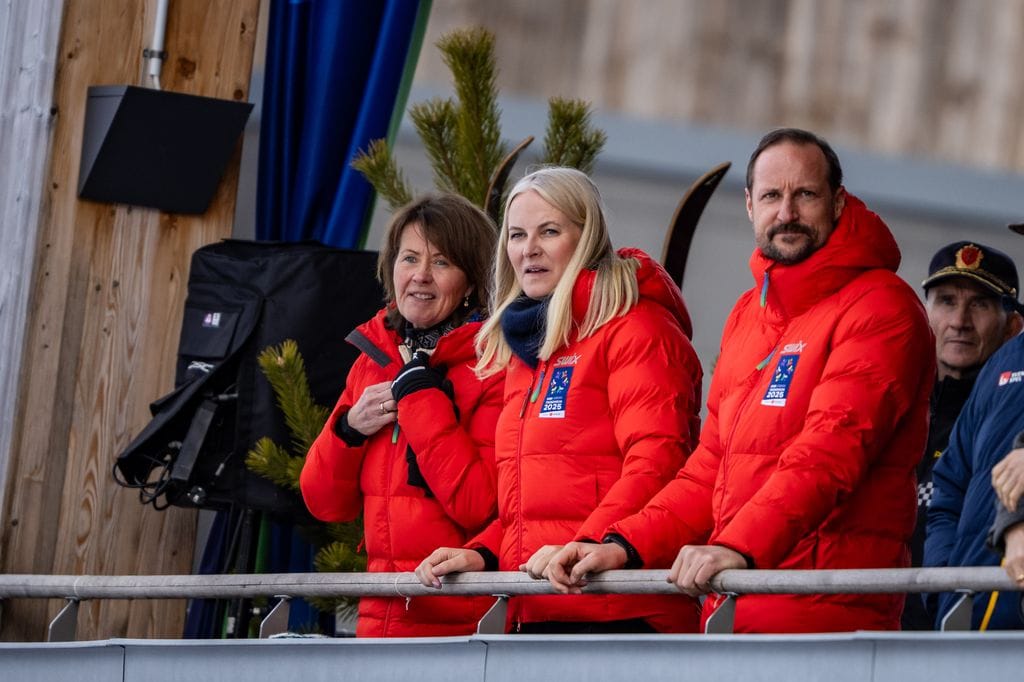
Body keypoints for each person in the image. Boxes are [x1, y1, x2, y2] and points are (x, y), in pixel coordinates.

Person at [545, 128, 934, 633]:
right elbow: (709, 469)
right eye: (772, 196)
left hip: (827, 620)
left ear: (838, 202)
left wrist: (736, 547)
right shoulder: (750, 313)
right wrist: (622, 545)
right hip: (736, 609)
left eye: (806, 194)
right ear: (750, 205)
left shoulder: (882, 307)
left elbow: (831, 453)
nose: (787, 213)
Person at [414, 167, 703, 633]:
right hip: (541, 605)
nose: (528, 249)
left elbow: (658, 464)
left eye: (549, 231)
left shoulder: (636, 329)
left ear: (586, 238)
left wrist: (586, 544)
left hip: (620, 614)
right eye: (516, 234)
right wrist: (485, 550)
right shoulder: (532, 349)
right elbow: (533, 503)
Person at [299, 194, 502, 637]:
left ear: (471, 282)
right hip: (381, 612)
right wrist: (349, 430)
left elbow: (479, 507)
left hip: (461, 619)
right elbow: (323, 502)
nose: (421, 276)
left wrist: (421, 399)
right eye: (409, 259)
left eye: (442, 262)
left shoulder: (494, 365)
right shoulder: (375, 357)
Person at [903, 241, 1022, 629]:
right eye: (947, 302)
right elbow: (948, 496)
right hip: (913, 625)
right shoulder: (893, 409)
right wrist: (941, 589)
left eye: (981, 305)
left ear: (1013, 324)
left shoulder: (1004, 379)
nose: (960, 321)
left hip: (988, 622)